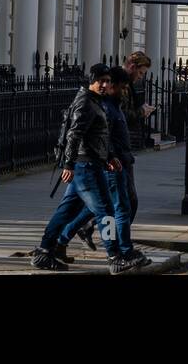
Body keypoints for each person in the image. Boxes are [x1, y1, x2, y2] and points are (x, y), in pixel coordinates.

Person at [31, 64, 133, 274]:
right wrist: (68, 164)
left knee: (65, 212)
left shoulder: (95, 101)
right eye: (101, 81)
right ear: (92, 81)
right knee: (107, 212)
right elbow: (74, 135)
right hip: (86, 167)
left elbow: (97, 135)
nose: (105, 85)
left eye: (107, 81)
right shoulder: (86, 102)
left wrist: (110, 156)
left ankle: (43, 252)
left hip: (92, 164)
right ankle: (115, 257)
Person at [69, 67, 149, 267]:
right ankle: (118, 253)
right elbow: (83, 136)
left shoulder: (110, 105)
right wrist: (69, 164)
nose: (123, 92)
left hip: (109, 163)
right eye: (121, 87)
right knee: (114, 211)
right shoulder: (98, 106)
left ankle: (61, 239)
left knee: (102, 210)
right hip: (103, 166)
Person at [119, 50, 154, 220]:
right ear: (132, 67)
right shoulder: (122, 87)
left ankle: (116, 240)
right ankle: (117, 242)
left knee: (118, 200)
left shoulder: (126, 85)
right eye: (140, 72)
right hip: (117, 150)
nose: (141, 77)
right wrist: (141, 112)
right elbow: (120, 117)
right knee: (128, 200)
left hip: (122, 148)